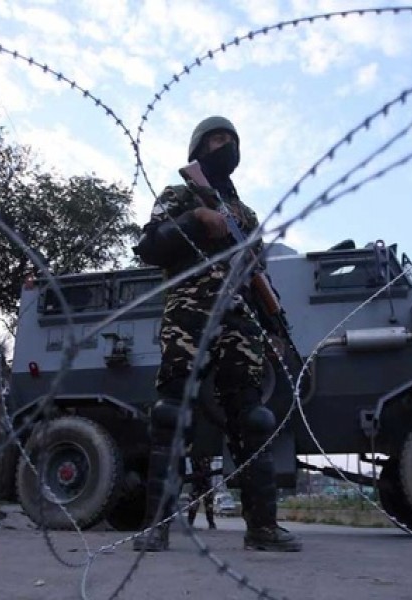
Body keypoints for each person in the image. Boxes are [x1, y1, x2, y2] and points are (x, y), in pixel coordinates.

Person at [132, 115, 301, 552]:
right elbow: (149, 247)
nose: (223, 146)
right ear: (197, 150)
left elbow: (259, 275)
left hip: (240, 319)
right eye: (215, 140)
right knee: (172, 412)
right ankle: (157, 525)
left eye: (230, 140)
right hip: (190, 309)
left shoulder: (247, 216)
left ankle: (262, 528)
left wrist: (273, 326)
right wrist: (196, 218)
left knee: (254, 417)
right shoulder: (180, 194)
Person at [185, 456, 216, 529]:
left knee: (209, 504)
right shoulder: (195, 456)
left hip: (205, 480)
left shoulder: (208, 457)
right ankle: (190, 522)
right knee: (194, 504)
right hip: (197, 480)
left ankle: (211, 523)